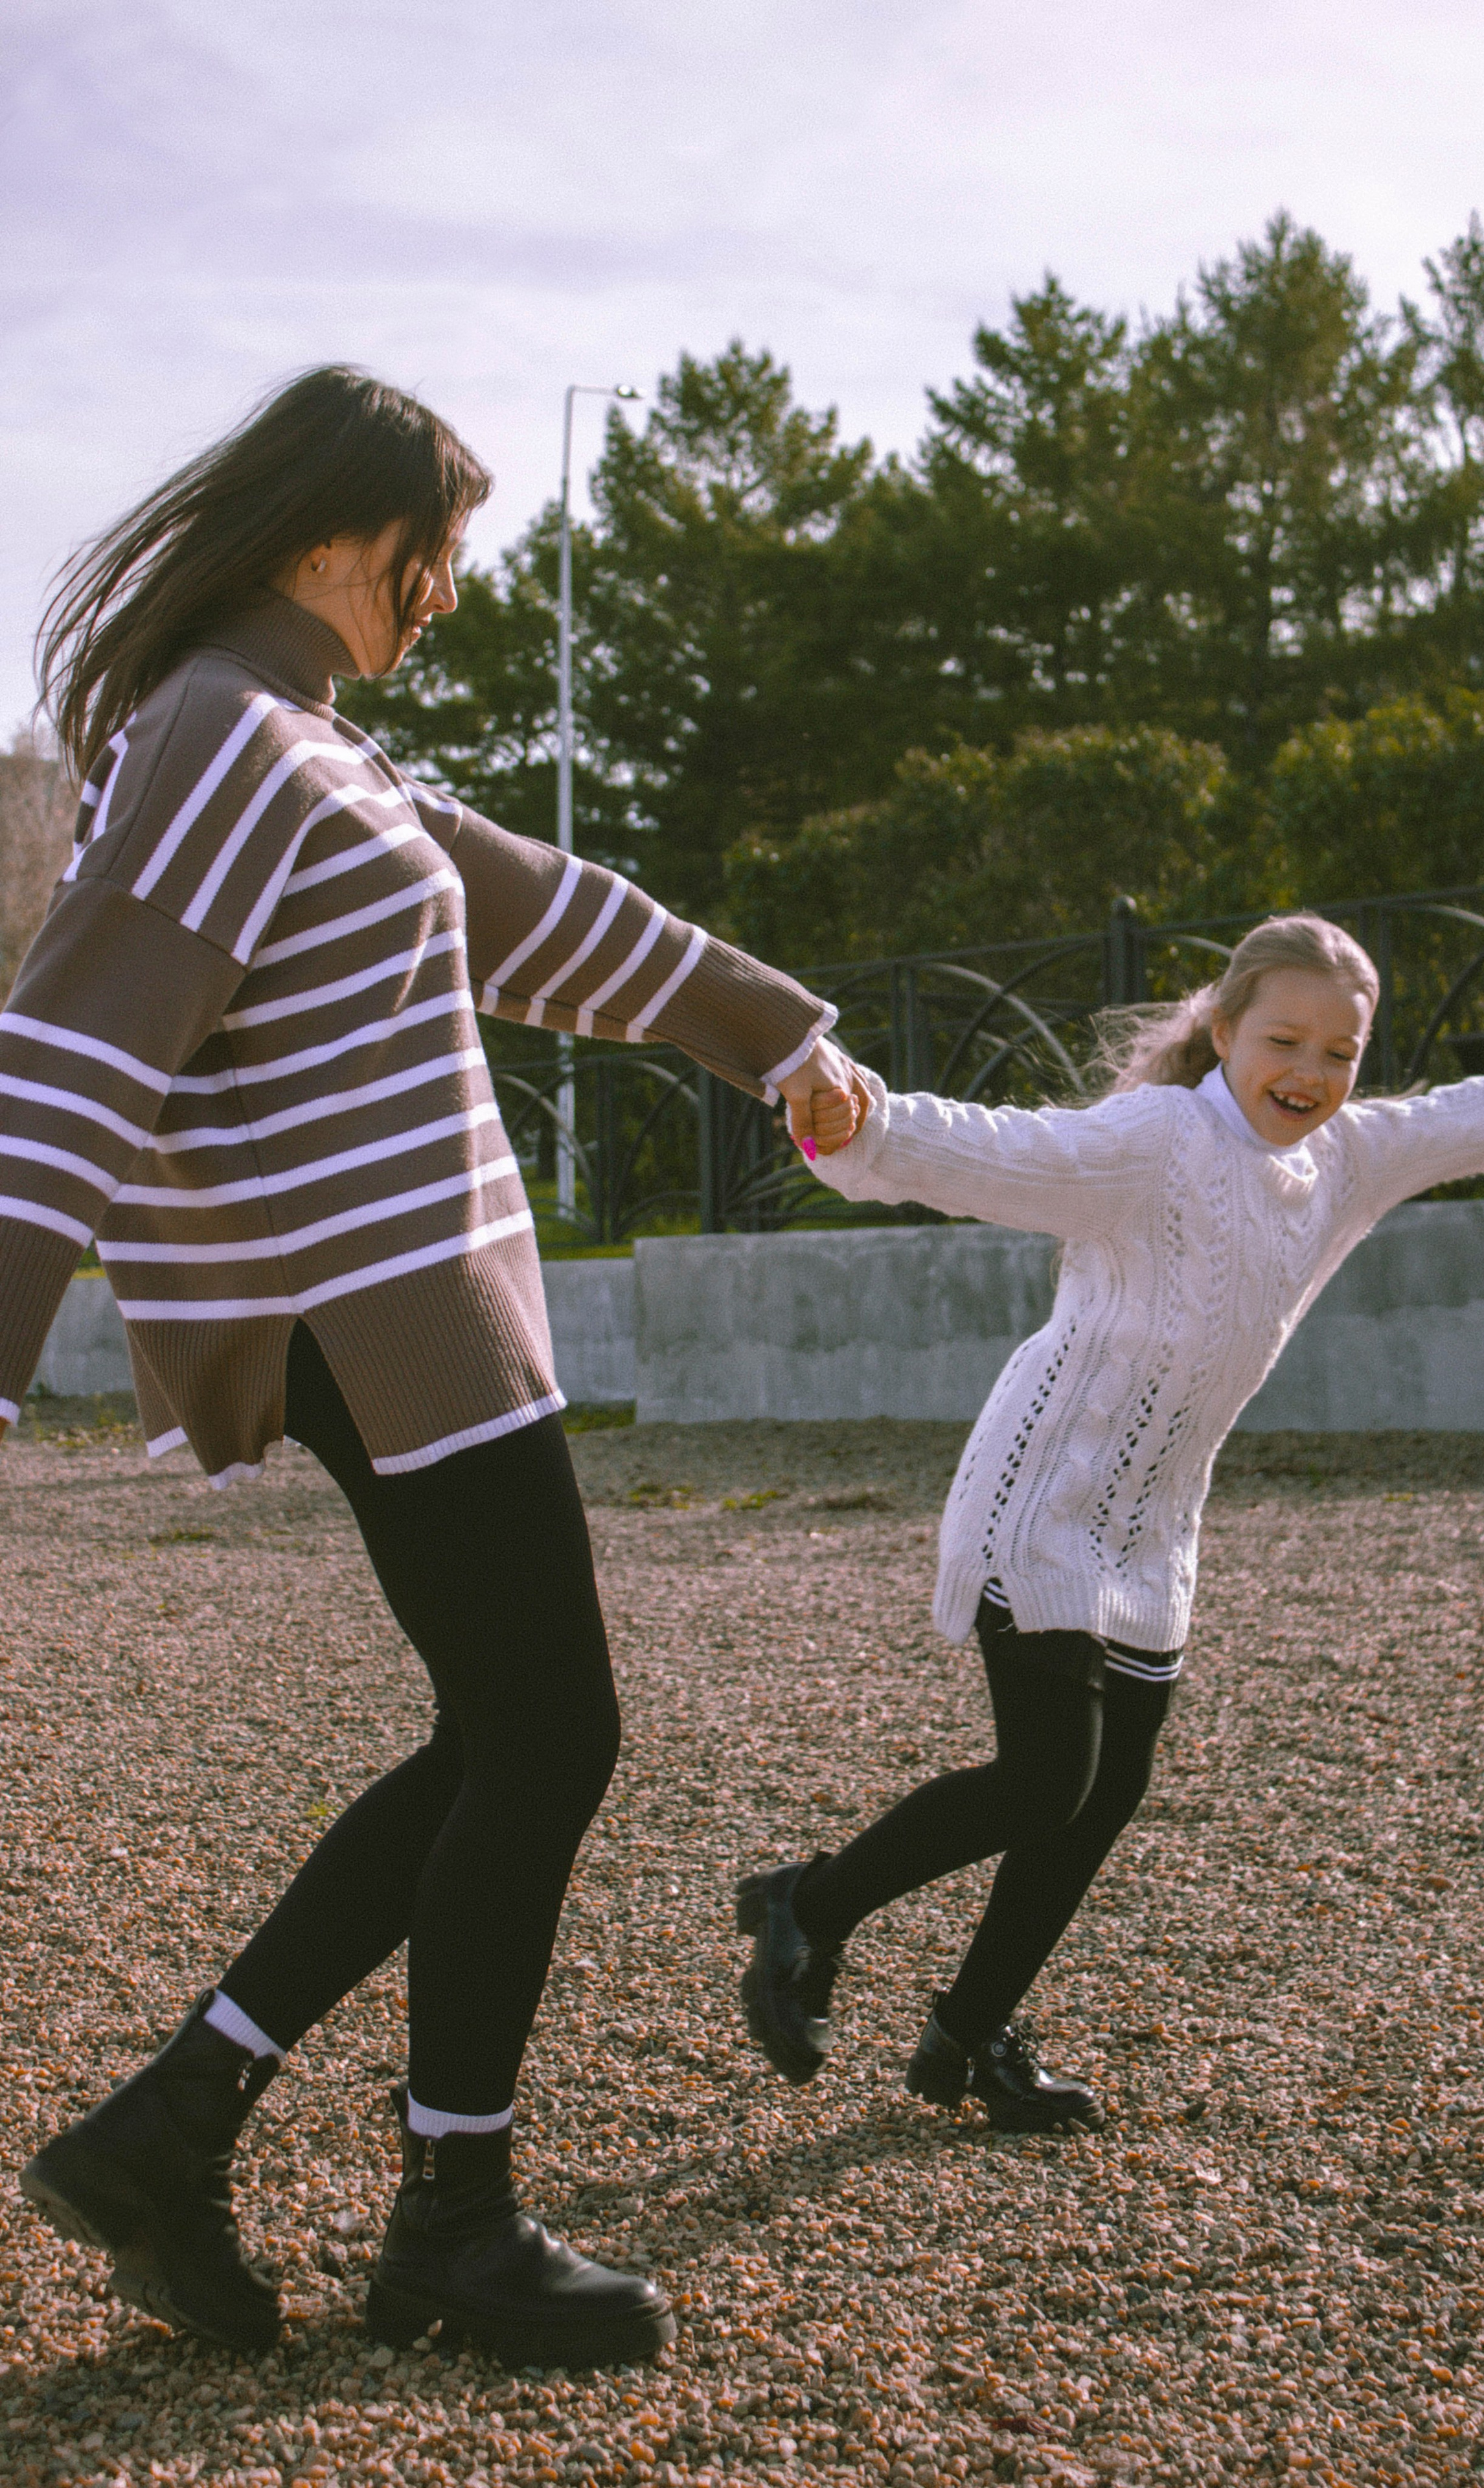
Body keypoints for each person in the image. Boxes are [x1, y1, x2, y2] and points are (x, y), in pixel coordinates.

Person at [10, 366, 853, 2367]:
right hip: (383, 1319)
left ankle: (174, 2128)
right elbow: (63, 1059)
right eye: (433, 552)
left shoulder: (312, 755)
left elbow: (546, 913)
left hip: (419, 1316)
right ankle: (450, 2222)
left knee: (509, 1732)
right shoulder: (220, 742)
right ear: (328, 538)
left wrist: (781, 1041)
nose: (448, 593)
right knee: (550, 1731)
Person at [738, 914, 1484, 2133]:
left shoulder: (1348, 1159)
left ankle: (969, 2035)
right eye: (1284, 1039)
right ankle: (809, 1902)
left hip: (1156, 1523)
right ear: (1223, 1032)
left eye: (1341, 1052)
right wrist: (867, 1122)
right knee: (1042, 1780)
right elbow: (999, 1151)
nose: (1312, 1073)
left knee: (1105, 1796)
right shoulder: (1159, 1140)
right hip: (1044, 1491)